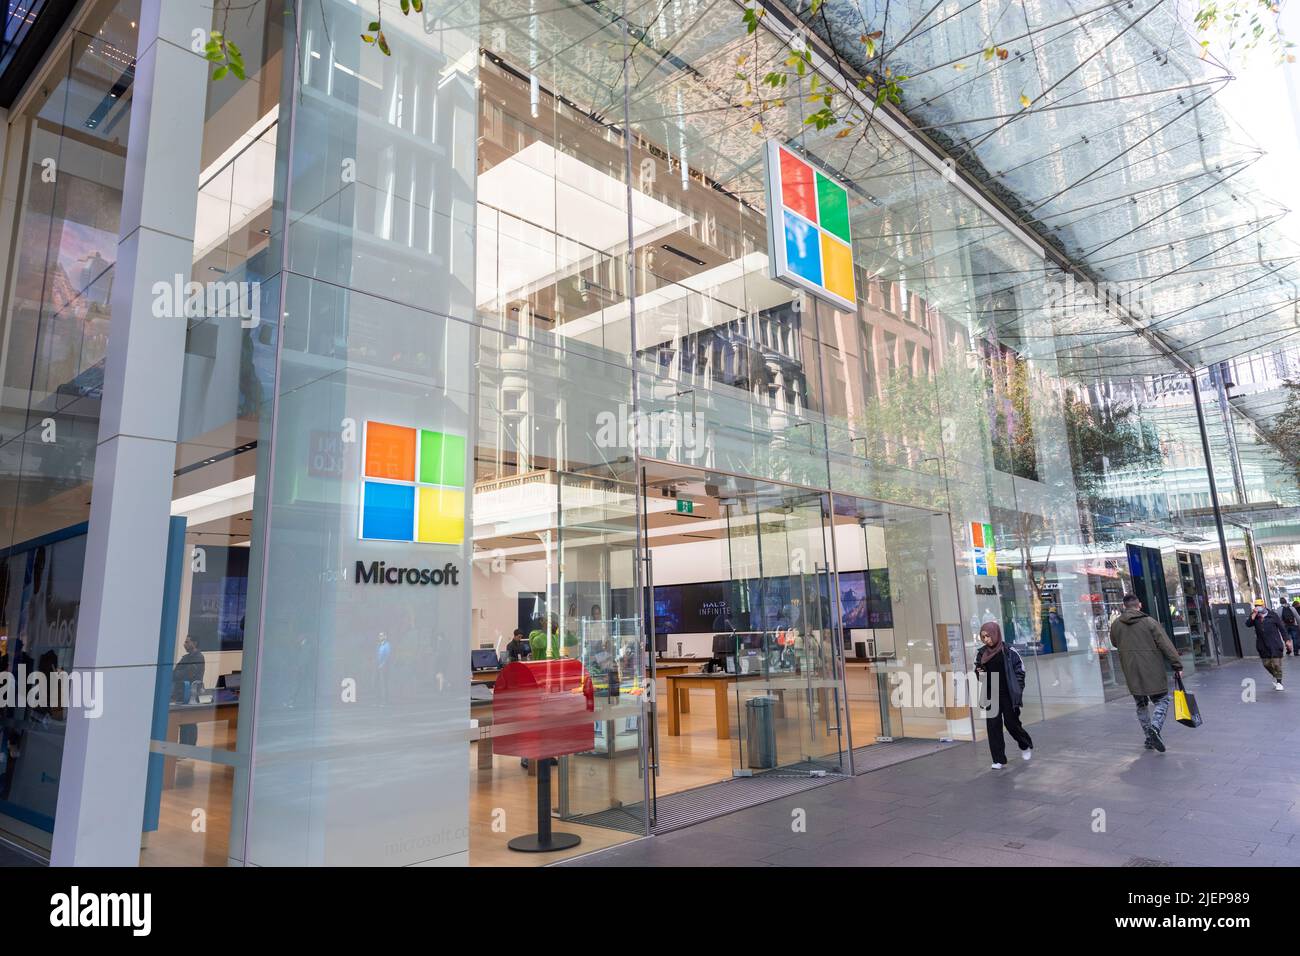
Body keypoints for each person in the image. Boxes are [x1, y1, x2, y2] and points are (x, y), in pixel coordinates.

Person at [1110, 593, 1184, 752]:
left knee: (1140, 704)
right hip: (1152, 669)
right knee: (1162, 700)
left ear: (1124, 606)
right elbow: (1166, 645)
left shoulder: (1116, 624)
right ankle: (1155, 729)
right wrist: (1177, 665)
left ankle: (1149, 738)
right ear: (1140, 605)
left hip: (1130, 670)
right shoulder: (1150, 622)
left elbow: (1115, 642)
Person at [973, 621, 1032, 769]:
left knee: (1012, 724)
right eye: (983, 637)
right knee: (993, 726)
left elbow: (1020, 671)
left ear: (995, 634)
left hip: (1008, 694)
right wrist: (978, 673)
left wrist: (1018, 689)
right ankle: (998, 759)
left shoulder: (1009, 650)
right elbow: (980, 675)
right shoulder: (982, 653)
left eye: (988, 636)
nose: (986, 639)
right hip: (991, 693)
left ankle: (1024, 744)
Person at [170, 636, 206, 746]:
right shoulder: (186, 658)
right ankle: (184, 746)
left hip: (191, 694)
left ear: (194, 643)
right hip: (181, 693)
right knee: (183, 722)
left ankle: (189, 746)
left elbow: (186, 674)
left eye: (187, 642)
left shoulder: (198, 658)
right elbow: (175, 673)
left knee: (189, 722)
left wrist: (177, 674)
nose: (184, 644)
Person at [1246, 598, 1287, 690]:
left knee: (1276, 664)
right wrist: (1254, 614)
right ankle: (1276, 676)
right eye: (1256, 606)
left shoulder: (1273, 615)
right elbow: (1248, 624)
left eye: (1260, 606)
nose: (1258, 607)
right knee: (1266, 664)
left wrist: (1286, 640)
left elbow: (1282, 628)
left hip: (1275, 643)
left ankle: (1279, 682)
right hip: (1262, 645)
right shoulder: (1254, 616)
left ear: (1264, 606)